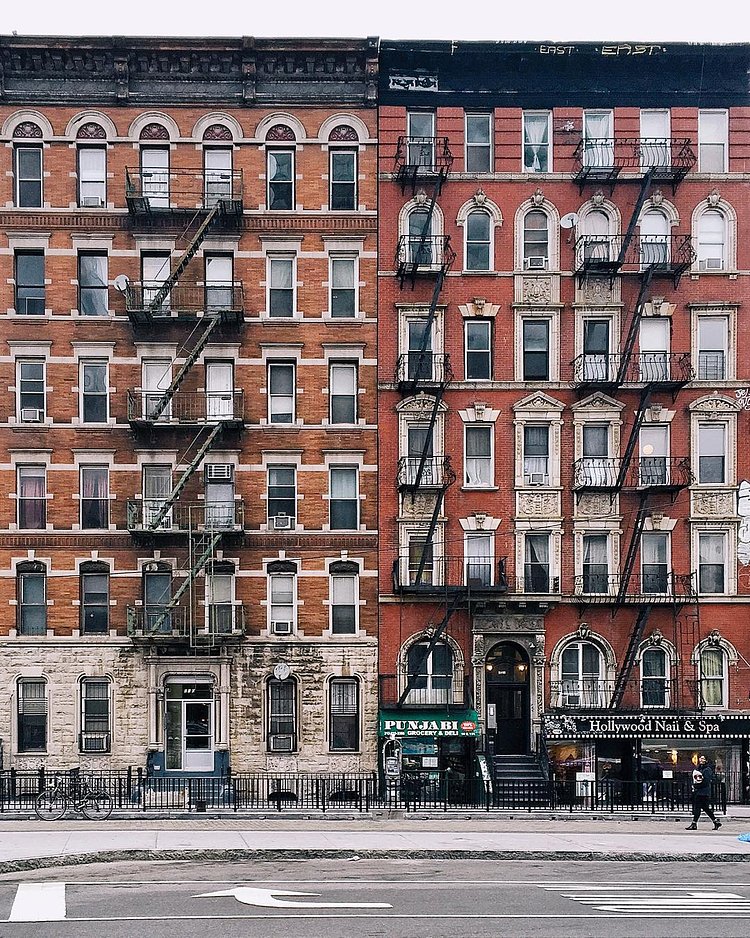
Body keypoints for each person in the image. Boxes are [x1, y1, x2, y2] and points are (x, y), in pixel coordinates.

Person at [686, 763, 721, 830]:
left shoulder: (707, 770)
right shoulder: (700, 769)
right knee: (705, 808)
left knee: (698, 808)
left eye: (703, 758)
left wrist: (696, 786)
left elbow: (705, 782)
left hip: (703, 793)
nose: (701, 760)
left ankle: (694, 824)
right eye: (700, 758)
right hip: (701, 792)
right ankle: (715, 821)